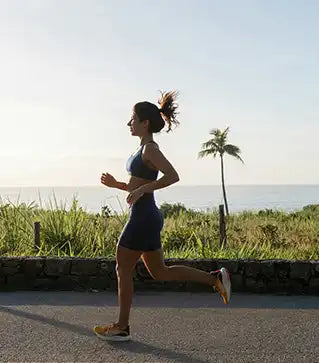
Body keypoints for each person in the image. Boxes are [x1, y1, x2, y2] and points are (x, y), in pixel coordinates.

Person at [93, 91, 231, 341]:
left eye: (132, 119)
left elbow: (173, 175)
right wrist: (117, 185)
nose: (129, 123)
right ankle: (215, 279)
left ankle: (122, 327)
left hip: (142, 218)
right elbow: (138, 185)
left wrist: (144, 189)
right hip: (146, 216)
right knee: (160, 272)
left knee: (122, 267)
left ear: (145, 123)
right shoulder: (142, 150)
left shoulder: (150, 149)